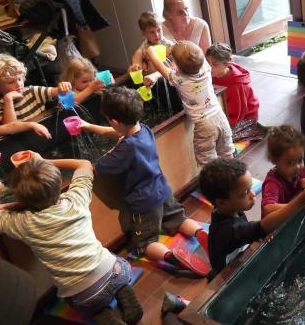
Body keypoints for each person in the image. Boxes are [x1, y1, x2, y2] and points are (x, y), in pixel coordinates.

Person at [0, 156, 143, 325]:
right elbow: (84, 164)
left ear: (22, 200)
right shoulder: (75, 199)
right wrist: (46, 161)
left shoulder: (23, 222)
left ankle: (103, 315)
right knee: (115, 262)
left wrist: (8, 206)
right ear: (59, 181)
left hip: (84, 296)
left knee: (87, 305)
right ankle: (123, 290)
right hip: (114, 272)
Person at [83, 87, 211, 277]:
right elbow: (120, 134)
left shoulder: (126, 148)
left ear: (116, 122)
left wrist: (110, 151)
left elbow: (100, 166)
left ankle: (170, 256)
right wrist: (87, 126)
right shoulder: (144, 130)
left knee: (144, 243)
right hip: (162, 189)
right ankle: (201, 234)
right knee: (178, 219)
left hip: (144, 203)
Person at [198, 158, 305, 277]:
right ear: (221, 202)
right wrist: (301, 200)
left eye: (250, 188)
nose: (252, 194)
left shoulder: (226, 210)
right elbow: (261, 226)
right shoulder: (227, 230)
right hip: (225, 276)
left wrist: (255, 235)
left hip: (234, 253)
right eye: (244, 193)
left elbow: (248, 231)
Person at [145, 41, 234, 166]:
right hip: (220, 116)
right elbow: (192, 54)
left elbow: (161, 67)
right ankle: (234, 175)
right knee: (227, 152)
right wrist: (178, 49)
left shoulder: (179, 79)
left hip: (204, 126)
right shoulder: (206, 68)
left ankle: (215, 181)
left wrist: (151, 53)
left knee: (207, 160)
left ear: (178, 67)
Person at [0, 54, 72, 124]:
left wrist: (62, 87)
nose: (19, 84)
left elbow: (57, 91)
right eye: (11, 82)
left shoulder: (31, 92)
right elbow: (11, 127)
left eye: (19, 79)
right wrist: (8, 99)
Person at [205, 43, 264, 141]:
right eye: (207, 62)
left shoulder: (236, 84)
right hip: (224, 111)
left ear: (226, 64)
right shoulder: (214, 73)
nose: (209, 67)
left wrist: (221, 123)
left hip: (244, 117)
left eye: (214, 64)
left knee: (220, 137)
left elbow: (238, 113)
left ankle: (254, 130)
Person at [261, 125, 305, 217]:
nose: (298, 166)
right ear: (274, 160)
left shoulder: (301, 170)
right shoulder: (273, 183)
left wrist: (302, 180)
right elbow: (267, 209)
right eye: (290, 163)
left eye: (300, 160)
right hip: (277, 225)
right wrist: (299, 205)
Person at [129, 11, 175, 81]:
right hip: (150, 79)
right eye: (151, 32)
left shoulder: (168, 44)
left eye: (159, 30)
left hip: (166, 78)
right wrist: (136, 65)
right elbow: (138, 54)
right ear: (143, 33)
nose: (157, 35)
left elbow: (175, 64)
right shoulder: (145, 45)